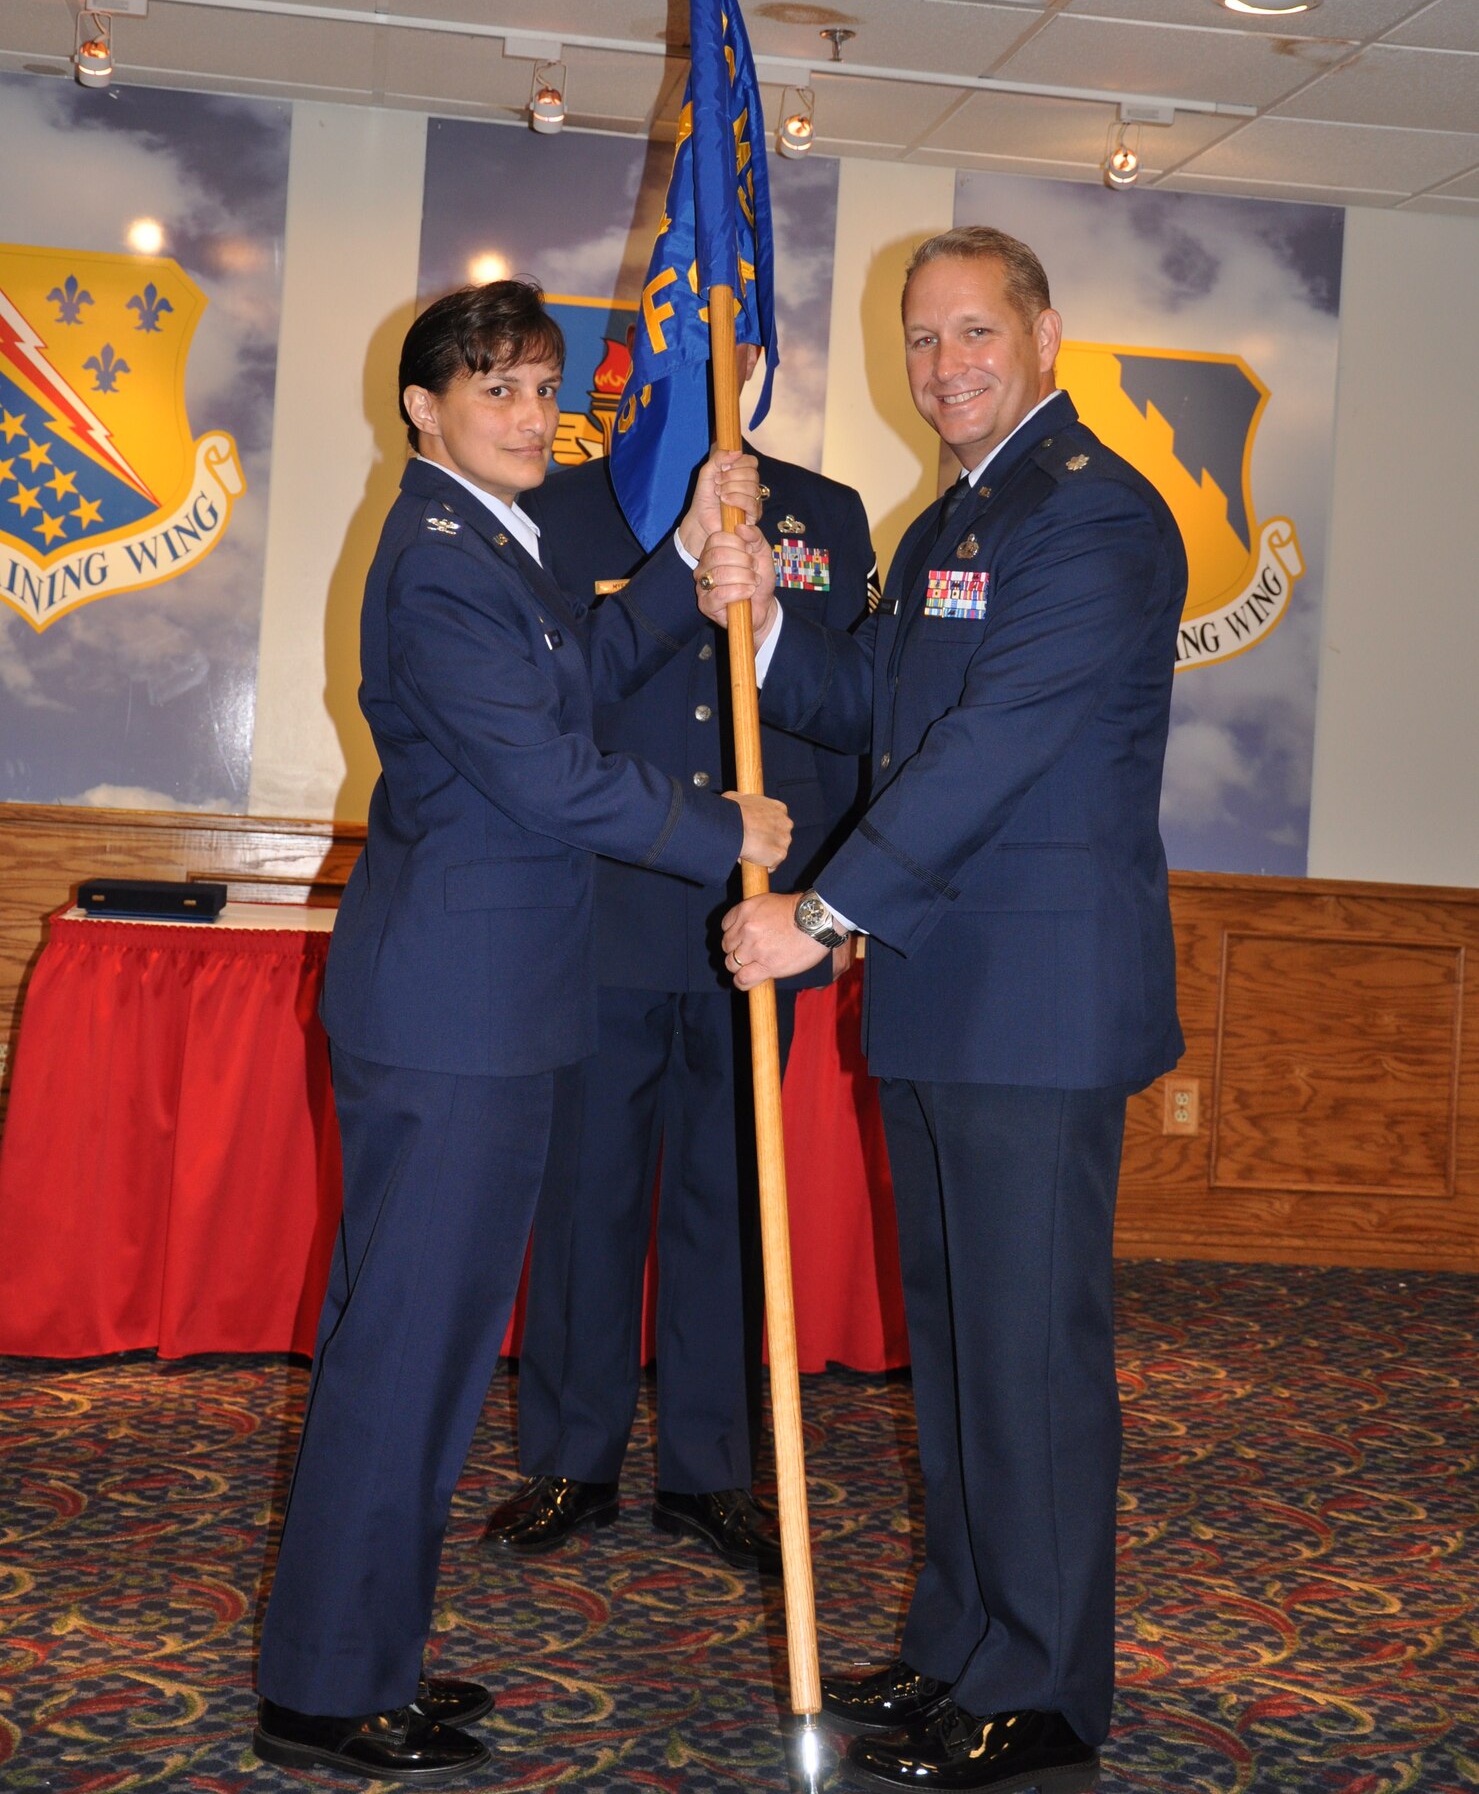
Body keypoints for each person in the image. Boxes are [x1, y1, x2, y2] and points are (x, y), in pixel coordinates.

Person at [252, 280, 791, 1785]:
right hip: (449, 1018)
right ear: (423, 408)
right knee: (403, 1356)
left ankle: (362, 1657)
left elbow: (582, 675)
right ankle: (321, 1693)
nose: (530, 416)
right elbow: (549, 778)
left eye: (544, 389)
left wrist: (684, 559)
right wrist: (720, 825)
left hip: (481, 1010)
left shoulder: (496, 544)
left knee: (419, 1359)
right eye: (495, 389)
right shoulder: (435, 565)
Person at [696, 227, 1187, 1793]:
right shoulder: (946, 525)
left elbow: (998, 750)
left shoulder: (1096, 517)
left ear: (1044, 333)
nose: (943, 366)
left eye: (972, 332)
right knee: (962, 1350)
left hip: (1033, 1007)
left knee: (1028, 1356)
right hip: (944, 996)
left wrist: (824, 916)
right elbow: (878, 710)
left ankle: (1040, 1693)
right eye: (919, 341)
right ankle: (961, 1642)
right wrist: (760, 617)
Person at [484, 342, 875, 1573]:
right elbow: (553, 708)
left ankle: (710, 1465)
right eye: (687, 340)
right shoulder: (566, 503)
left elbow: (856, 716)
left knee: (732, 1196)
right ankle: (573, 1456)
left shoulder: (824, 510)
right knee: (590, 1195)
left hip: (761, 911)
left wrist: (834, 901)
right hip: (607, 909)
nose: (712, 361)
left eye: (733, 343)